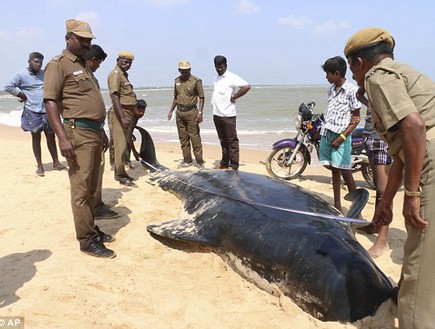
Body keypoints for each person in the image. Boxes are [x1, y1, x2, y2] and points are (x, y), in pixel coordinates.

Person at [345, 27, 435, 328]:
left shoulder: (376, 77)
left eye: (352, 70)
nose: (355, 78)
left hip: (430, 160)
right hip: (421, 151)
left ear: (359, 62)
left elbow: (414, 127)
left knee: (419, 260)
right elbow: (402, 152)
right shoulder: (403, 72)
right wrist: (385, 202)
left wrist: (411, 195)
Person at [44, 19, 116, 258]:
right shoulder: (58, 65)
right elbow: (51, 102)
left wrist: (102, 130)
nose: (86, 43)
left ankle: (91, 229)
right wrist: (62, 138)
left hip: (94, 132)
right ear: (68, 38)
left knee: (92, 186)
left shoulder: (84, 66)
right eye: (81, 39)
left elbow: (91, 103)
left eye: (88, 40)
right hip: (78, 134)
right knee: (81, 189)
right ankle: (86, 240)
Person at [4, 52, 66, 176]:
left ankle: (56, 162)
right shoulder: (21, 75)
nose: (38, 64)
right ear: (29, 61)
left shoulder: (44, 74)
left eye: (40, 62)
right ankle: (40, 166)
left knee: (50, 136)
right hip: (32, 110)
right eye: (36, 62)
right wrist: (22, 95)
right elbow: (8, 86)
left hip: (47, 110)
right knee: (36, 137)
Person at [319, 56, 361, 212]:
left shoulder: (351, 90)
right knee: (334, 169)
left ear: (337, 73)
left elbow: (356, 119)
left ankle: (358, 210)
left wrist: (341, 138)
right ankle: (337, 204)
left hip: (342, 136)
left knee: (345, 170)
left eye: (328, 74)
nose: (326, 77)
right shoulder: (330, 90)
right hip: (328, 133)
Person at [84, 44, 120, 221]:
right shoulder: (82, 76)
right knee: (90, 173)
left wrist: (103, 132)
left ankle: (96, 204)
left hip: (96, 129)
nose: (99, 66)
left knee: (99, 168)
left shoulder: (91, 77)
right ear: (92, 60)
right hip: (85, 132)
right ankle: (93, 208)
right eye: (98, 63)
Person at [356, 88, 392, 258]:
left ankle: (382, 240)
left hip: (382, 139)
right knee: (378, 188)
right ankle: (375, 224)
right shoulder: (372, 84)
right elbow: (359, 95)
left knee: (385, 191)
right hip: (370, 137)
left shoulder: (385, 83)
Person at [211, 55, 251, 170]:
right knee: (223, 140)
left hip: (228, 115)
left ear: (226, 66)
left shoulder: (231, 77)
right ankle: (224, 163)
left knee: (232, 141)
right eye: (217, 67)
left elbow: (246, 86)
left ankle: (233, 165)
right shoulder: (216, 79)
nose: (219, 69)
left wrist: (235, 96)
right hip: (217, 114)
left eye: (221, 67)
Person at [167, 60, 205, 168]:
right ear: (179, 70)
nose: (184, 72)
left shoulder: (196, 81)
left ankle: (199, 161)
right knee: (183, 138)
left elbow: (201, 97)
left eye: (187, 70)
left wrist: (200, 112)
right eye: (182, 71)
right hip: (180, 112)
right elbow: (176, 97)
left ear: (190, 69)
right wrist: (171, 111)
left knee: (195, 137)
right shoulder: (176, 81)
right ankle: (187, 160)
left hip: (192, 112)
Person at [107, 51, 137, 186]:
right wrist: (123, 116)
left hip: (127, 114)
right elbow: (114, 97)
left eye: (130, 62)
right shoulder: (115, 75)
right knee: (120, 145)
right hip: (121, 114)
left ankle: (122, 173)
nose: (128, 64)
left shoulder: (124, 76)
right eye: (125, 61)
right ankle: (120, 175)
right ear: (117, 60)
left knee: (123, 144)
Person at [124, 99, 147, 166]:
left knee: (129, 138)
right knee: (116, 139)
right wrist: (134, 152)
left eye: (143, 111)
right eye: (139, 111)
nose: (141, 113)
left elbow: (130, 129)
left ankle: (126, 160)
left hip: (127, 127)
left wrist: (131, 133)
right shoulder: (130, 116)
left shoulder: (137, 116)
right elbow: (128, 136)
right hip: (114, 117)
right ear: (134, 109)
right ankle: (114, 162)